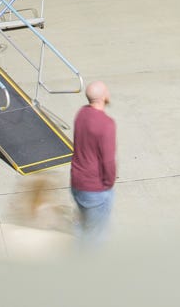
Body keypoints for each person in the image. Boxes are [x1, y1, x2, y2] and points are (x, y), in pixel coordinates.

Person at [70, 79, 117, 246]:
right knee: (96, 236)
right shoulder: (106, 124)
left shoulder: (81, 113)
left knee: (81, 226)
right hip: (95, 189)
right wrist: (108, 184)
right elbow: (108, 160)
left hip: (77, 183)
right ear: (104, 97)